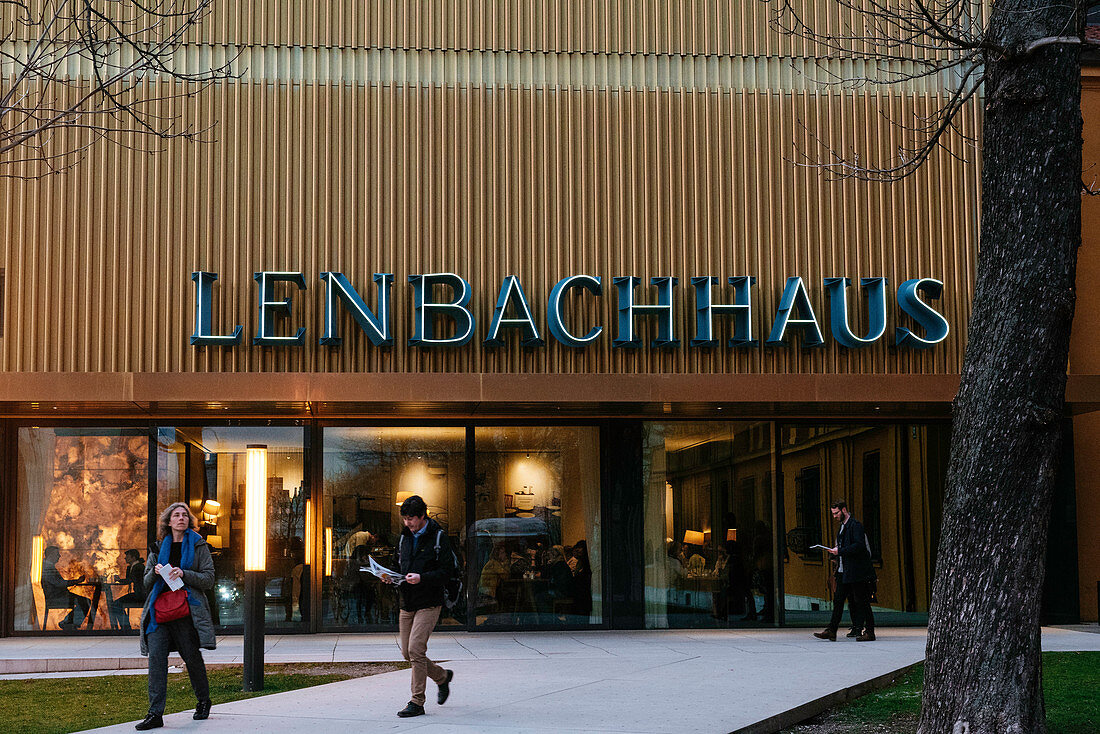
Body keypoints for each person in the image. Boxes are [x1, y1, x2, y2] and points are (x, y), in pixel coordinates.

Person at [135, 502, 216, 730]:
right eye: (176, 515)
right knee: (156, 661)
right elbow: (146, 583)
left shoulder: (199, 546)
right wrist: (156, 571)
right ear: (168, 522)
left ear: (189, 521)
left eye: (184, 515)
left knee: (192, 658)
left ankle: (203, 701)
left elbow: (209, 579)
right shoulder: (157, 548)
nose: (181, 518)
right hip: (159, 612)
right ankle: (155, 714)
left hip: (186, 612)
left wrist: (184, 573)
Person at [384, 494, 455, 718]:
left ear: (422, 516)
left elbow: (448, 572)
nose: (408, 524)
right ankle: (442, 677)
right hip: (408, 601)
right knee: (407, 652)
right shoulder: (404, 538)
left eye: (411, 519)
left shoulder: (438, 537)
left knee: (416, 649)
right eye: (405, 519)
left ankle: (417, 701)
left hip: (429, 602)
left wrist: (422, 578)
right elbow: (398, 565)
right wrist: (389, 575)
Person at [813, 499, 877, 642]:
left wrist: (839, 551)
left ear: (843, 510)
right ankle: (831, 630)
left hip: (855, 572)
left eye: (836, 513)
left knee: (862, 601)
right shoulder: (842, 527)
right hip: (844, 571)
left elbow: (859, 546)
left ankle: (870, 631)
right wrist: (835, 553)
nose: (834, 516)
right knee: (838, 600)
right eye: (833, 514)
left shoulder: (855, 526)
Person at [40, 545, 90, 630]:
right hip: (56, 598)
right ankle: (68, 623)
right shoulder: (47, 568)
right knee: (85, 601)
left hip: (59, 595)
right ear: (51, 555)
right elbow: (60, 583)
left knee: (84, 601)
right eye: (57, 554)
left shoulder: (48, 567)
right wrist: (76, 581)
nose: (59, 556)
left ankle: (69, 623)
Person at [110, 549, 146, 631]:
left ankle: (125, 627)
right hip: (138, 594)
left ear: (133, 557)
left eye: (127, 557)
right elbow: (129, 579)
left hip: (140, 595)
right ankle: (125, 626)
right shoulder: (133, 566)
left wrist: (119, 580)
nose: (125, 558)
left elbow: (130, 580)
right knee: (116, 604)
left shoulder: (138, 567)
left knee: (115, 604)